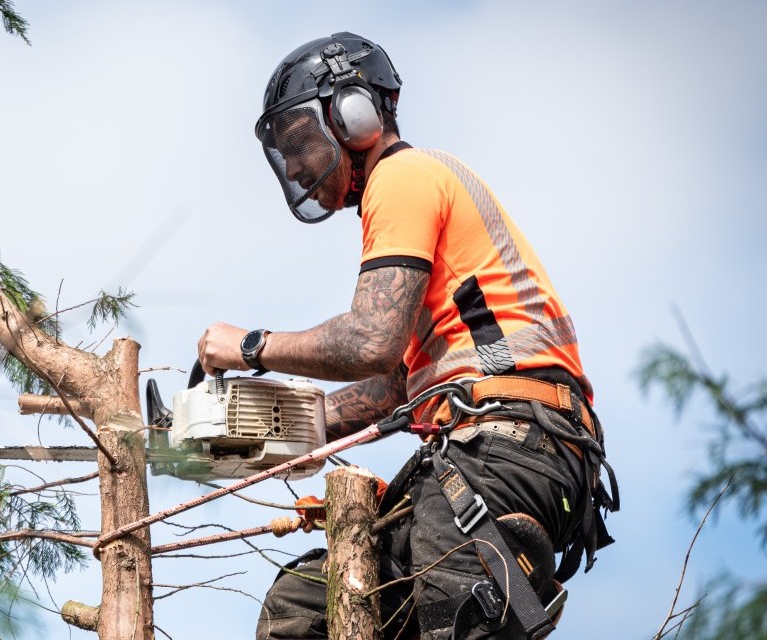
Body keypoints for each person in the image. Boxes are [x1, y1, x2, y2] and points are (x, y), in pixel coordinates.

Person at [196, 33, 618, 639]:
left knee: (455, 611)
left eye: (299, 142)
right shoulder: (407, 213)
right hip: (481, 445)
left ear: (352, 113)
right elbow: (393, 384)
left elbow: (371, 340)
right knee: (302, 608)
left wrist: (251, 346)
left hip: (511, 444)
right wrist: (253, 431)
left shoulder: (405, 177)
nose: (293, 165)